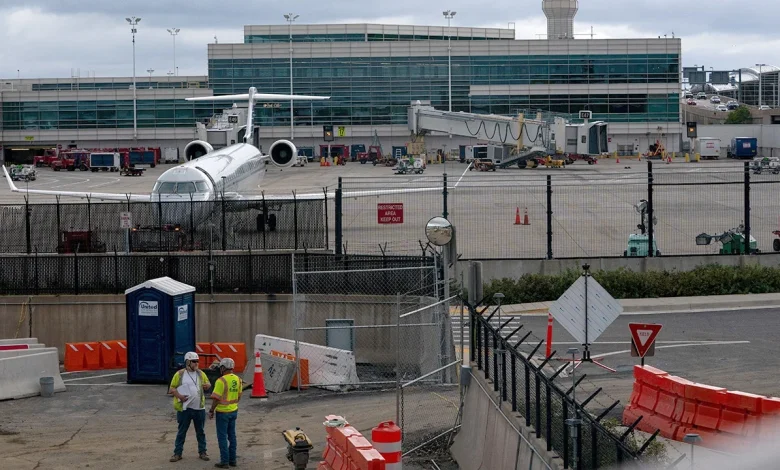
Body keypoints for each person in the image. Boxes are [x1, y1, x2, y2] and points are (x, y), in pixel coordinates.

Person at [168, 351, 211, 463]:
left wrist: (207, 386)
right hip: (185, 408)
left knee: (200, 431)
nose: (196, 363)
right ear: (187, 362)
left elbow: (208, 384)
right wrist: (180, 396)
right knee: (182, 431)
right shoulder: (180, 374)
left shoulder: (201, 374)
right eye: (194, 361)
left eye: (197, 361)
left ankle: (203, 452)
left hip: (199, 408)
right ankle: (177, 453)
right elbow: (172, 389)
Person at [209, 357, 243, 468]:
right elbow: (239, 395)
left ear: (223, 368)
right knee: (232, 436)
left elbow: (216, 398)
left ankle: (224, 461)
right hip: (233, 411)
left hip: (222, 413)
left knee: (222, 437)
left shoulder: (221, 381)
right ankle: (232, 460)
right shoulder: (238, 379)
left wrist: (211, 410)